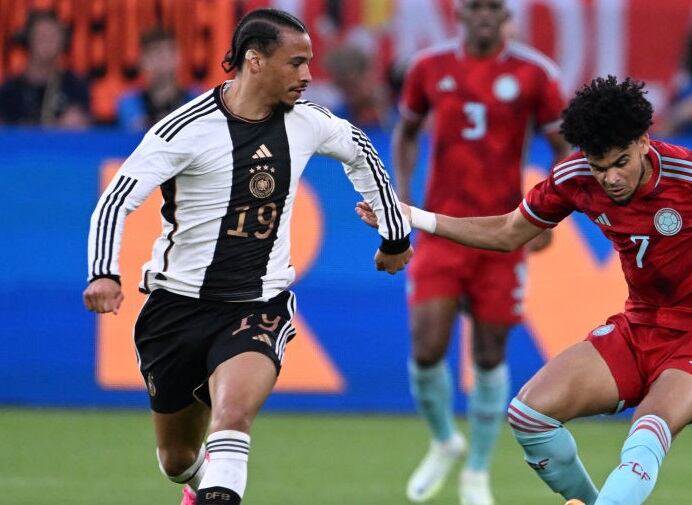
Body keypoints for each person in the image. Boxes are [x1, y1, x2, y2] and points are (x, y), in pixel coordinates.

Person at [358, 75, 692, 505]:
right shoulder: (576, 178)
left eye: (620, 163)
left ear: (643, 140)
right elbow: (509, 232)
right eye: (599, 166)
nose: (610, 179)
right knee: (529, 415)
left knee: (645, 434)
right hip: (638, 327)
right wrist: (413, 216)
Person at [82, 9, 412, 505]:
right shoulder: (184, 130)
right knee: (176, 461)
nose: (307, 76)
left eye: (310, 63)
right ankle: (201, 489)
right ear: (254, 61)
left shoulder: (308, 121)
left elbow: (360, 151)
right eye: (295, 63)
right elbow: (116, 199)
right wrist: (103, 272)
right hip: (177, 308)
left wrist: (394, 237)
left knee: (232, 417)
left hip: (258, 304)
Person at [391, 0, 572, 503]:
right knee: (426, 346)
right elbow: (406, 133)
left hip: (501, 236)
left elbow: (565, 151)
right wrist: (399, 201)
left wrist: (547, 215)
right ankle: (445, 440)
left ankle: (476, 471)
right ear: (461, 15)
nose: (486, 16)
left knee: (489, 355)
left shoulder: (536, 74)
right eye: (477, 7)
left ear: (505, 15)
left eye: (495, 7)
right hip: (442, 231)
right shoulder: (428, 69)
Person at [0, 10, 91, 127]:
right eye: (42, 36)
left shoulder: (75, 87)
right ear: (28, 40)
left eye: (53, 37)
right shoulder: (9, 91)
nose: (48, 43)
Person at [117, 28, 197, 132]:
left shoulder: (195, 100)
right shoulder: (129, 103)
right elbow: (134, 131)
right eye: (155, 53)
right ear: (143, 60)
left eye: (167, 52)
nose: (162, 59)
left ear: (178, 57)